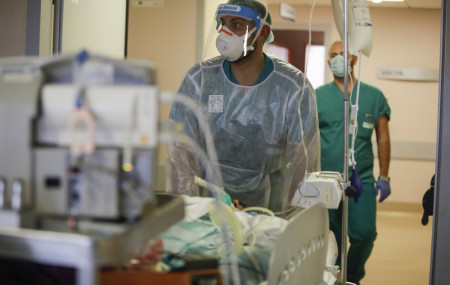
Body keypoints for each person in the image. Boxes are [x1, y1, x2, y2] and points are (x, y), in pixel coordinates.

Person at [165, 0, 320, 213]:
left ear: (263, 33)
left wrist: (294, 217)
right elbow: (180, 152)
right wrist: (186, 213)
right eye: (223, 24)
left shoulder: (293, 86)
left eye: (237, 25)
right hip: (208, 200)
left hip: (270, 205)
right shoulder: (199, 79)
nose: (226, 33)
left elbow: (303, 159)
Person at [316, 40, 391, 284]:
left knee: (365, 233)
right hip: (327, 179)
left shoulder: (372, 96)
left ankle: (353, 275)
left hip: (363, 178)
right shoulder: (318, 96)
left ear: (354, 60)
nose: (338, 59)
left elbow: (383, 137)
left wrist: (384, 176)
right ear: (328, 62)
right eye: (333, 55)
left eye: (343, 55)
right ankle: (335, 277)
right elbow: (307, 140)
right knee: (332, 235)